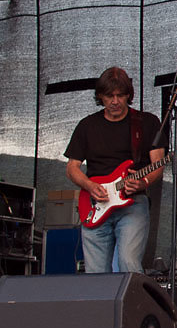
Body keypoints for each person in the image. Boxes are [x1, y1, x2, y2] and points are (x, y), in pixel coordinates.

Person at [65, 67, 166, 273]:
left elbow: (158, 164)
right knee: (95, 274)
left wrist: (143, 182)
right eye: (109, 96)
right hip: (95, 204)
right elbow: (72, 168)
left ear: (128, 95)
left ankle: (131, 305)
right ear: (100, 96)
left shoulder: (146, 123)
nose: (115, 101)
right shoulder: (87, 126)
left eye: (120, 95)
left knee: (128, 263)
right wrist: (89, 185)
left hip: (132, 203)